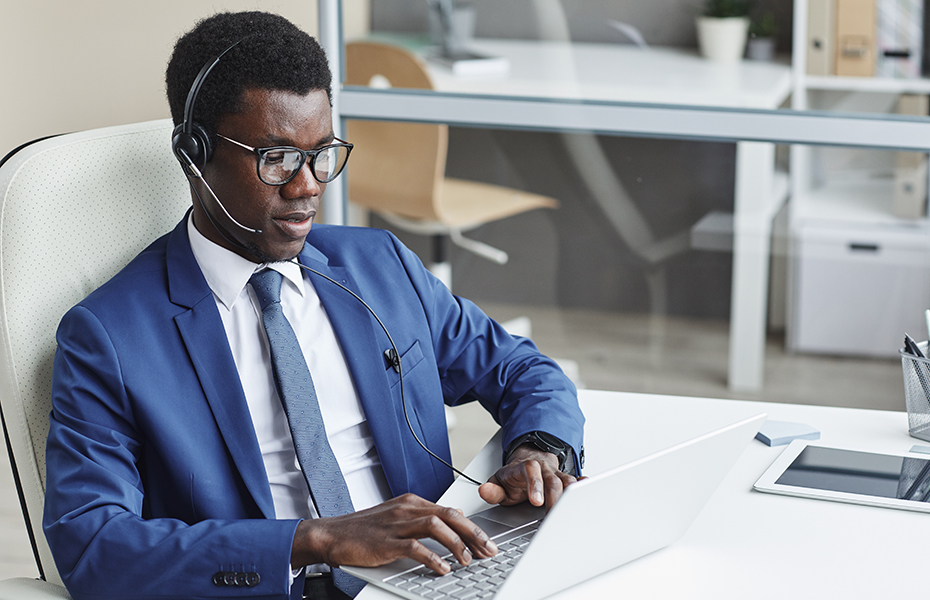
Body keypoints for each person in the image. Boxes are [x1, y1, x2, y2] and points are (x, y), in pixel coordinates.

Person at [43, 11, 584, 600]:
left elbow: (522, 370)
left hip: (437, 578)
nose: (307, 186)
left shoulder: (380, 265)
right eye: (275, 158)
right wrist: (316, 540)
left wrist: (539, 450)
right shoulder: (110, 335)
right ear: (194, 154)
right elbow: (95, 547)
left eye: (321, 152)